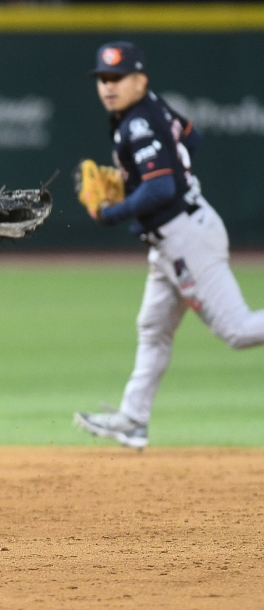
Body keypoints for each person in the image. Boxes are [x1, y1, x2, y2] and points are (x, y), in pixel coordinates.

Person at [74, 42, 264, 449]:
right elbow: (189, 140)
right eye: (103, 79)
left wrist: (113, 212)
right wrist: (142, 180)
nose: (108, 86)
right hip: (173, 237)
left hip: (185, 238)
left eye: (118, 78)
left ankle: (132, 420)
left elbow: (160, 187)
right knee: (153, 328)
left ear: (140, 80)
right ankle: (133, 420)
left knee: (239, 330)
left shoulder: (137, 123)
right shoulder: (150, 108)